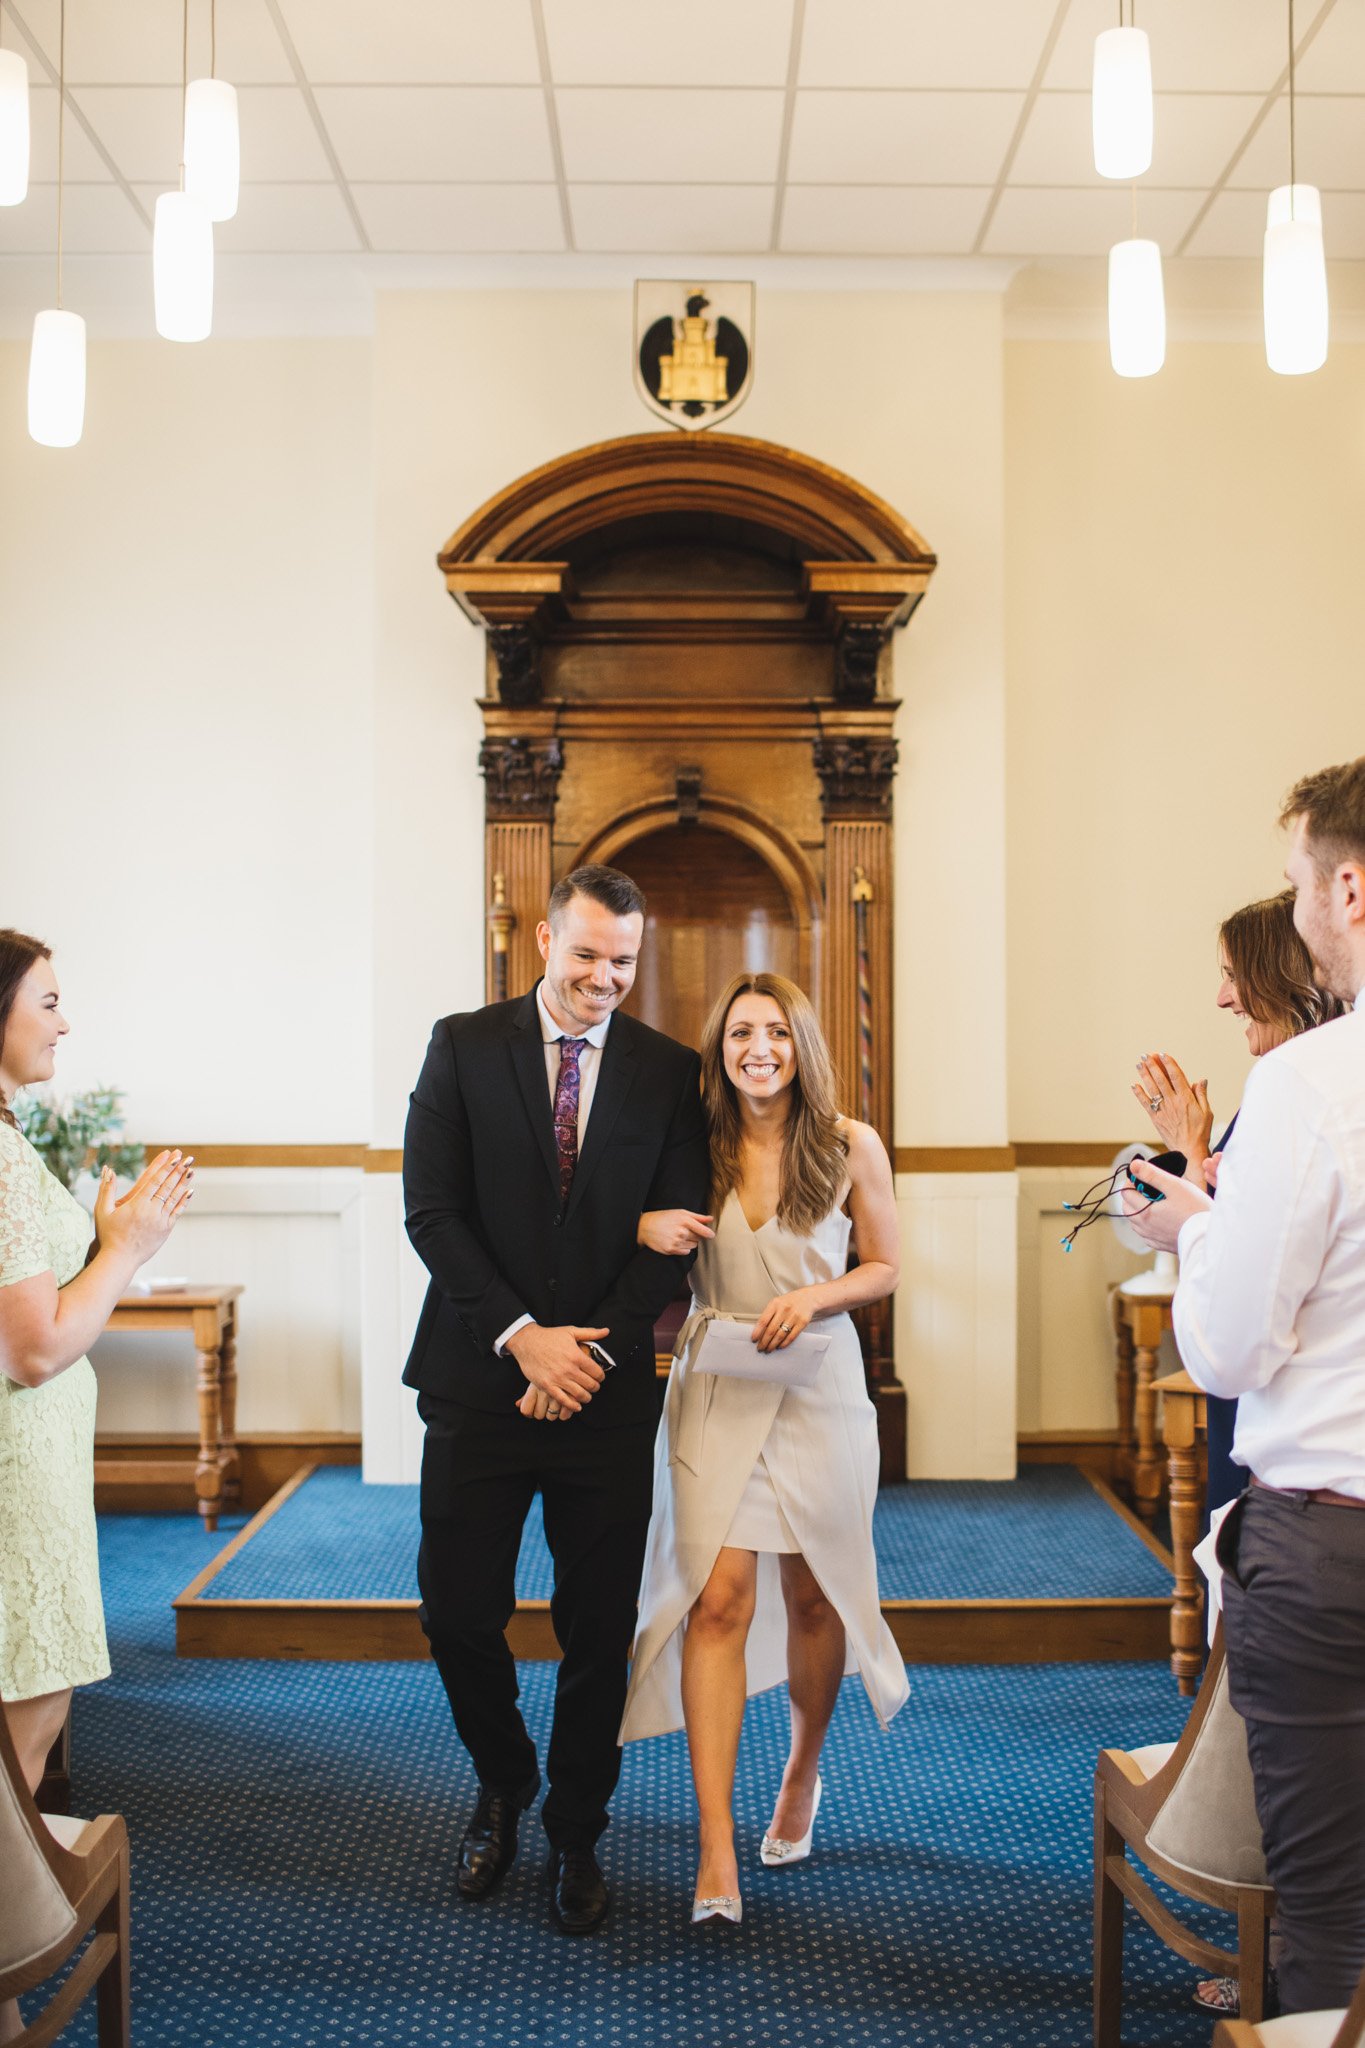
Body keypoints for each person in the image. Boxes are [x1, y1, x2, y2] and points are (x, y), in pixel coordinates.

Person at [402, 865, 709, 1937]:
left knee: (598, 1623)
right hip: (480, 1376)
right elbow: (433, 1213)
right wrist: (523, 1339)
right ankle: (504, 1776)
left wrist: (586, 1354)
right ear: (544, 937)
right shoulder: (462, 1044)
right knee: (456, 1605)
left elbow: (677, 1233)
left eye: (624, 960)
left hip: (608, 1388)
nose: (605, 977)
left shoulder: (671, 1073)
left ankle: (579, 1824)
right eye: (586, 954)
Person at [1124, 756, 1365, 2015]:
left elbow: (1224, 1350)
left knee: (1329, 1914)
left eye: (1295, 883)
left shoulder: (1313, 1085)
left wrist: (1192, 1229)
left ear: (1350, 888)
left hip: (1333, 1544)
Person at [619, 971, 907, 1926]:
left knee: (816, 1592)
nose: (758, 1049)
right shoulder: (687, 1144)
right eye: (741, 1032)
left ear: (801, 1046)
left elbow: (884, 1266)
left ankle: (801, 1771)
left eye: (776, 1033)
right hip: (715, 1381)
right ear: (720, 1046)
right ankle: (712, 1849)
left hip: (819, 1387)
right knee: (717, 1601)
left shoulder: (845, 1143)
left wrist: (814, 1298)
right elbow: (616, 1232)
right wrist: (639, 1222)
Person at [0, 931, 193, 2045]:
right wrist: (125, 1245)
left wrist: (108, 1239)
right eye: (50, 1001)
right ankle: (9, 1972)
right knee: (22, 1735)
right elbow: (35, 1349)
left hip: (31, 1464)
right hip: (20, 1481)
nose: (66, 1021)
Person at [1131, 890, 1344, 1524]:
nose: (1223, 998)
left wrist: (1188, 1181)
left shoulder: (1298, 1087)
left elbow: (1246, 1255)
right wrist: (1192, 1148)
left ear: (1279, 973)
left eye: (1233, 974)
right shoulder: (1284, 1088)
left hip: (1292, 1408)